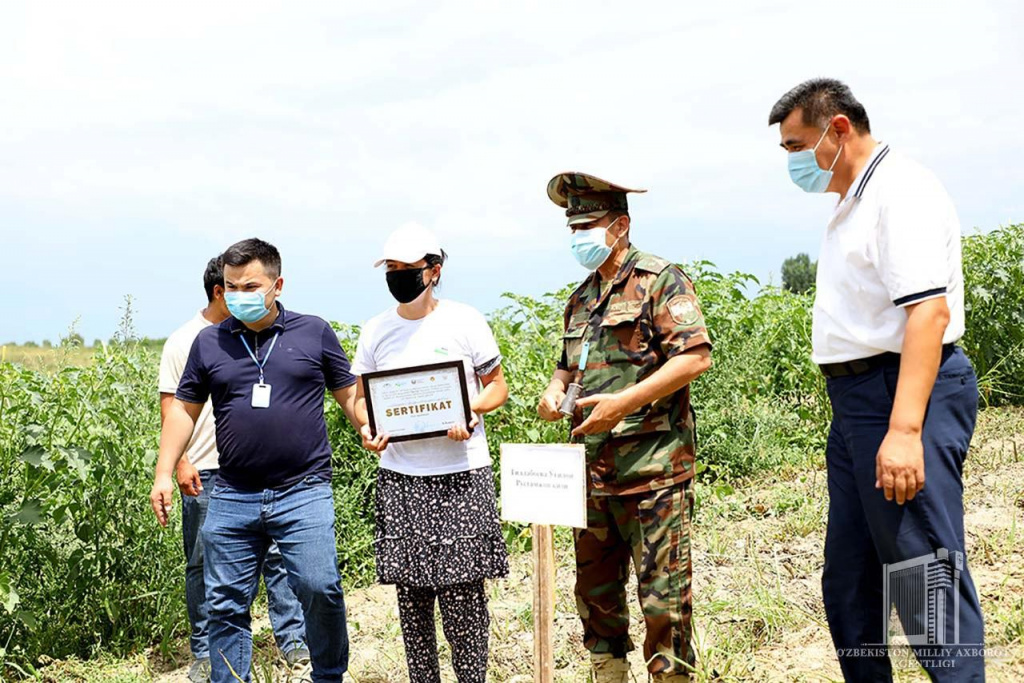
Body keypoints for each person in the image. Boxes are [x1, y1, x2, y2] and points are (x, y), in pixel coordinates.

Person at [769, 78, 984, 681]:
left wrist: (905, 429)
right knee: (850, 577)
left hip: (903, 392)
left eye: (795, 146)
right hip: (858, 403)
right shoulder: (853, 202)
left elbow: (928, 313)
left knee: (923, 580)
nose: (792, 162)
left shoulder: (899, 192)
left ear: (838, 129)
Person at [149, 238, 361, 683]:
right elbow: (183, 410)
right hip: (232, 492)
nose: (238, 294)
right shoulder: (209, 343)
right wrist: (164, 471)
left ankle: (328, 675)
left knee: (320, 588)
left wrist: (371, 429)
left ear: (277, 284)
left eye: (250, 285)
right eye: (230, 286)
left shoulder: (313, 331)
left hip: (303, 490)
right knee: (224, 602)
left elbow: (350, 396)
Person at [536, 173, 712, 682]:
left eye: (588, 225)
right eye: (573, 227)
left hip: (653, 474)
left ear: (621, 225)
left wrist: (623, 403)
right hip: (590, 479)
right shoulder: (581, 298)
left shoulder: (660, 280)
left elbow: (694, 358)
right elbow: (567, 368)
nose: (578, 237)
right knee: (596, 601)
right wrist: (554, 392)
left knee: (665, 604)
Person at [351, 224, 509, 682]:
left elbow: (497, 387)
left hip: (461, 472)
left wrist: (471, 410)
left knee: (463, 597)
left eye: (407, 269)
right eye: (391, 269)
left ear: (433, 271)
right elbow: (363, 399)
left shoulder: (465, 320)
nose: (398, 277)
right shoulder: (376, 331)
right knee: (413, 596)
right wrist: (367, 428)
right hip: (401, 477)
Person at [157, 256, 308, 682]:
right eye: (236, 288)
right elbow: (173, 408)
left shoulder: (262, 335)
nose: (247, 296)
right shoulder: (186, 340)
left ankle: (292, 640)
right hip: (205, 469)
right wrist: (180, 461)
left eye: (252, 286)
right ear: (220, 291)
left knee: (278, 558)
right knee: (205, 564)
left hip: (259, 470)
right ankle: (206, 652)